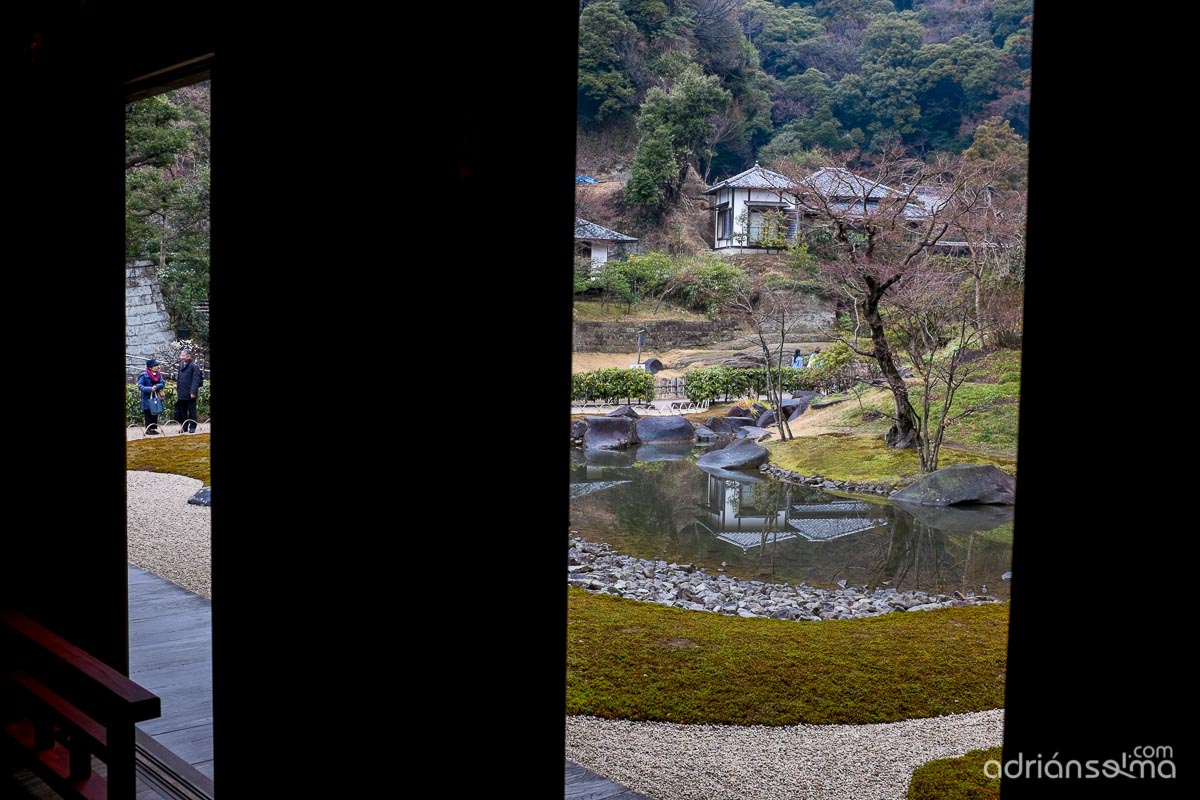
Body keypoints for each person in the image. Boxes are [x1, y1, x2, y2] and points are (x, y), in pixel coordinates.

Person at [174, 348, 204, 432]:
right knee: (182, 411)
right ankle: (184, 427)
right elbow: (179, 379)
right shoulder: (180, 365)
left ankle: (192, 427)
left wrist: (193, 391)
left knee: (192, 411)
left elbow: (196, 380)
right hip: (181, 392)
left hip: (190, 392)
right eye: (181, 355)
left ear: (189, 356)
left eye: (183, 355)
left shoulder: (194, 366)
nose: (182, 357)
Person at [138, 359, 166, 434]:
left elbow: (162, 383)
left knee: (155, 411)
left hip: (156, 395)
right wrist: (150, 389)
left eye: (157, 365)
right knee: (148, 413)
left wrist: (156, 386)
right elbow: (140, 386)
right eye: (155, 366)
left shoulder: (159, 374)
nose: (157, 367)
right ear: (150, 367)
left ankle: (153, 428)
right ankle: (148, 429)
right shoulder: (144, 375)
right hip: (147, 397)